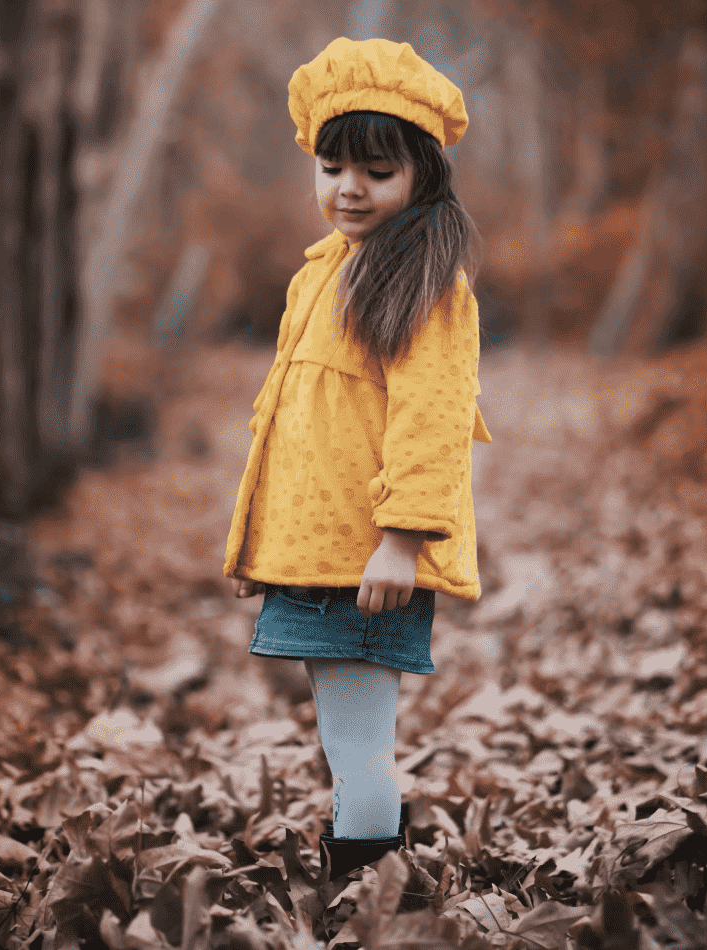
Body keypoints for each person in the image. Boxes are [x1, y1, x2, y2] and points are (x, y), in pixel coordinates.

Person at [224, 37, 492, 880]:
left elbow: (432, 421)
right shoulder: (321, 275)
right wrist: (259, 548)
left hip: (369, 560)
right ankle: (371, 887)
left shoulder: (427, 284)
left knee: (359, 744)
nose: (349, 187)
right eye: (332, 166)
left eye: (377, 171)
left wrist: (402, 540)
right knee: (345, 740)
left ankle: (369, 896)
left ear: (421, 176)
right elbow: (287, 423)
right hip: (319, 553)